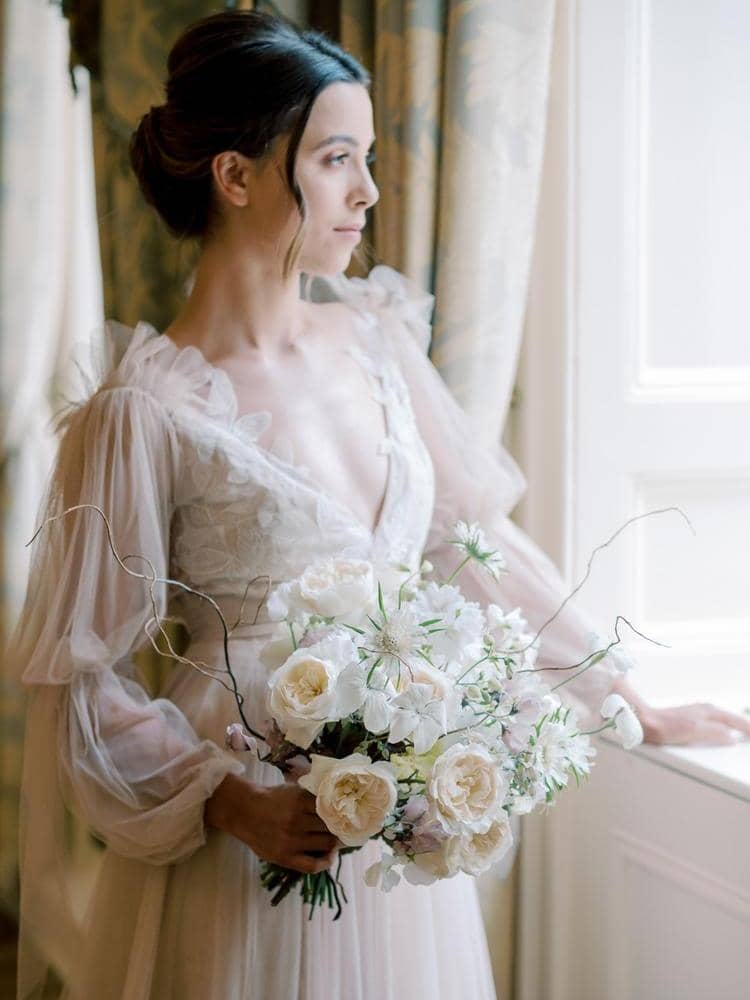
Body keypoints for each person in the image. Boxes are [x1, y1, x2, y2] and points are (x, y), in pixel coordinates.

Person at [9, 10, 750, 1000]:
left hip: (402, 846)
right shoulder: (139, 413)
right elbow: (81, 688)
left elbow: (464, 546)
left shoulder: (376, 342)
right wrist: (234, 803)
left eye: (365, 158)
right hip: (255, 851)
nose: (369, 190)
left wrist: (625, 698)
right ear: (236, 176)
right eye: (336, 158)